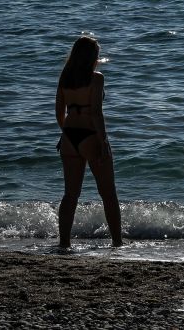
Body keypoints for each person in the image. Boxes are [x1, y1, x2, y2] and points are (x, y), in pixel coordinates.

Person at [55, 36, 123, 248]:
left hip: (69, 137)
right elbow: (95, 112)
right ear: (92, 57)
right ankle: (117, 242)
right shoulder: (96, 78)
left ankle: (64, 243)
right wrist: (102, 141)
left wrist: (64, 133)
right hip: (90, 135)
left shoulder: (65, 77)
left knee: (70, 195)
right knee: (108, 193)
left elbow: (59, 111)